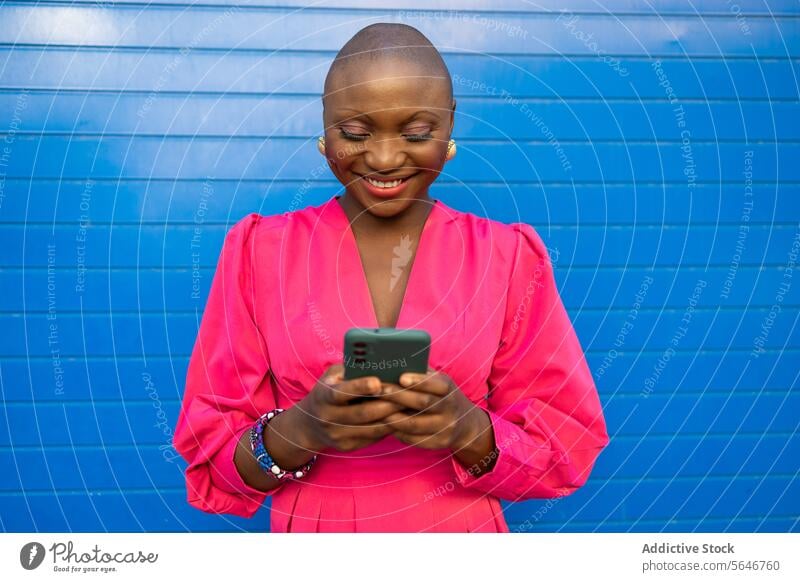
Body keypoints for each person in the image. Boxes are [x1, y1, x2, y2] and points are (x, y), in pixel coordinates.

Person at [173, 22, 609, 532]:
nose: (382, 159)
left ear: (448, 134)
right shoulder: (258, 252)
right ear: (324, 132)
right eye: (355, 134)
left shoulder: (507, 257)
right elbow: (213, 460)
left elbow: (566, 447)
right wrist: (300, 429)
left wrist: (470, 430)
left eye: (416, 134)